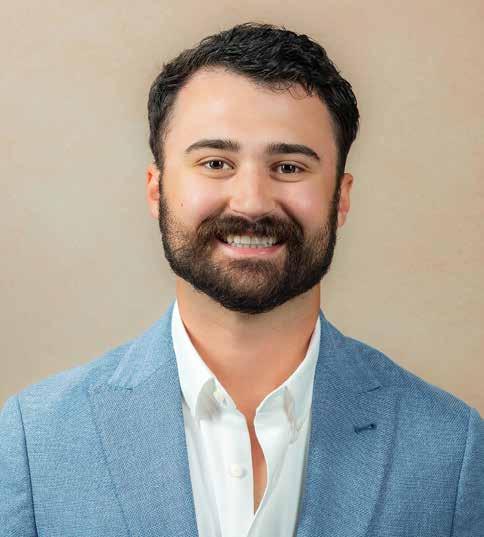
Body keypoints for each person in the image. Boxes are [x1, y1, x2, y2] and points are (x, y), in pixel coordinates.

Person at [0, 21, 482, 537]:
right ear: (156, 190)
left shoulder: (451, 449)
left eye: (289, 167)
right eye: (215, 163)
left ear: (340, 198)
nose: (251, 202)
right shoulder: (34, 441)